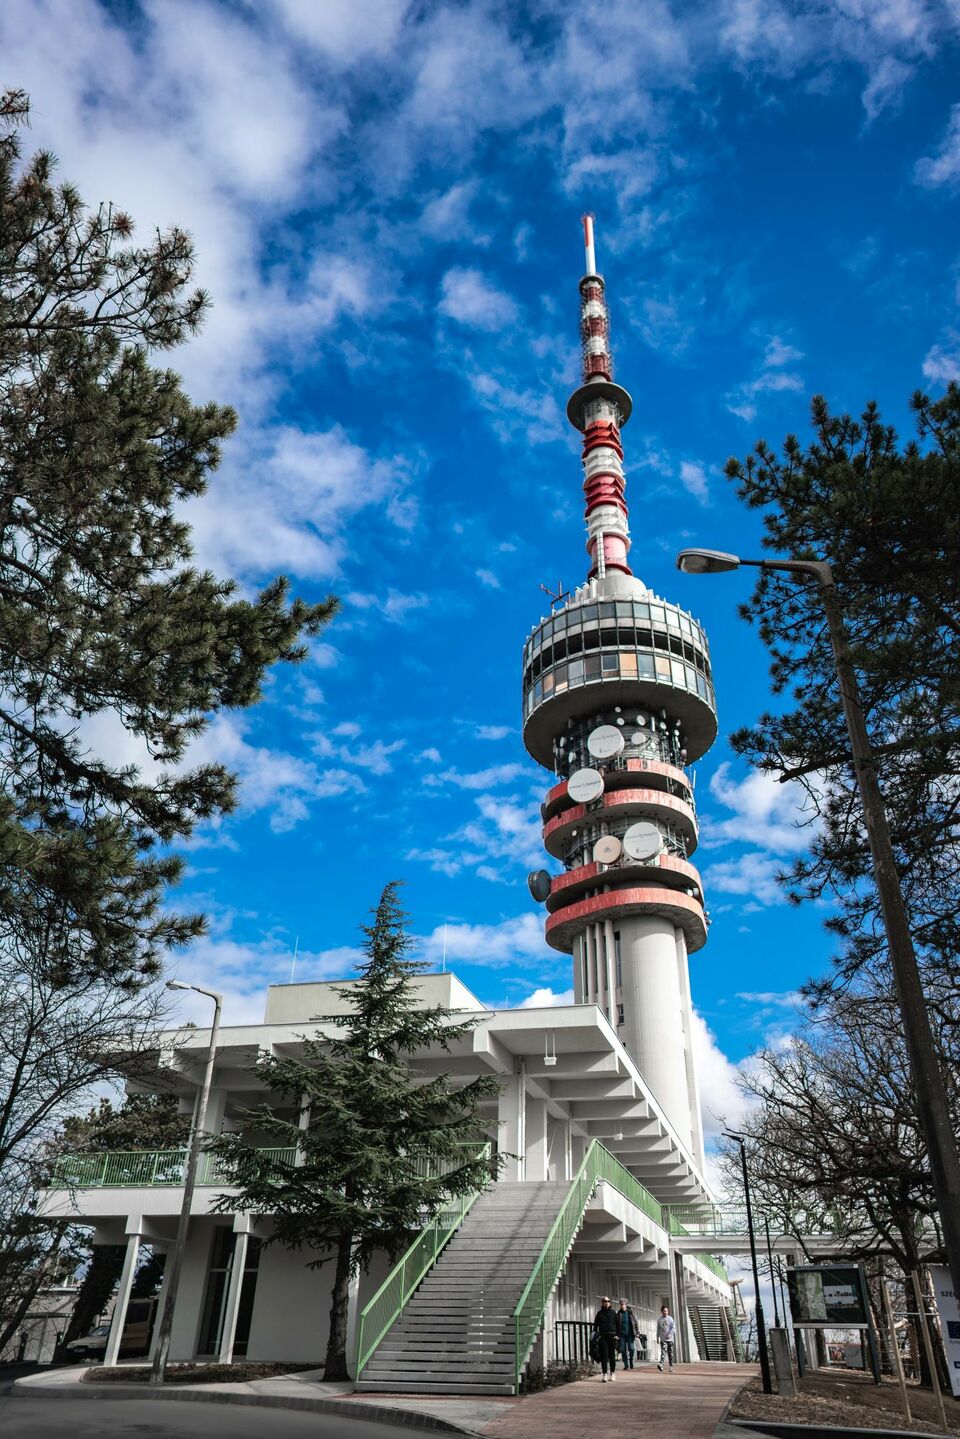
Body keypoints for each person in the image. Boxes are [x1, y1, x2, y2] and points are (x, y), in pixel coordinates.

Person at [593, 1295, 619, 1382]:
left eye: (608, 1301)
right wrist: (596, 1335)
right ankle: (604, 1374)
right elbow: (595, 1326)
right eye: (605, 1301)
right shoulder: (599, 1314)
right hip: (603, 1336)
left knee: (612, 1356)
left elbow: (618, 1325)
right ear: (602, 1303)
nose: (606, 1303)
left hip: (612, 1336)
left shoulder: (613, 1313)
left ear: (610, 1303)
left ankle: (612, 1373)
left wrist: (618, 1335)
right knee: (604, 1356)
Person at [656, 1304, 676, 1372]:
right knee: (663, 1352)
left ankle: (671, 1367)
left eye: (667, 1311)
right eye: (664, 1311)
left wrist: (670, 1334)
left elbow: (673, 1328)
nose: (665, 1312)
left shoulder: (670, 1319)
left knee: (670, 1353)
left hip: (670, 1339)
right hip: (663, 1339)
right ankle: (661, 1365)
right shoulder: (659, 1320)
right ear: (662, 1311)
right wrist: (657, 1337)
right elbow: (658, 1329)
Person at [617, 1299, 636, 1369]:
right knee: (622, 1349)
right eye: (621, 1304)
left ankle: (631, 1360)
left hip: (630, 1334)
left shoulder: (630, 1313)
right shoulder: (619, 1313)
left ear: (626, 1305)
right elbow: (616, 1324)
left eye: (623, 1304)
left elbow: (635, 1322)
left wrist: (637, 1332)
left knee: (631, 1349)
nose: (622, 1306)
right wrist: (617, 1334)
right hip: (622, 1335)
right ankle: (626, 1364)